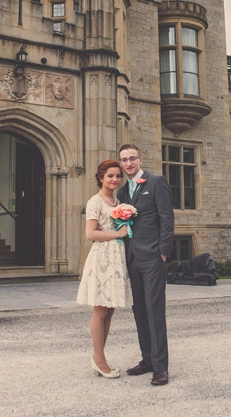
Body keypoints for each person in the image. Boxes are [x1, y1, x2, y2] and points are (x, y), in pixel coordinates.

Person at [117, 144, 174, 386]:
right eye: (123, 160)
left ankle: (161, 367)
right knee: (139, 310)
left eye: (132, 159)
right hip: (132, 258)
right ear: (120, 163)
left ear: (140, 160)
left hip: (152, 258)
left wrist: (162, 253)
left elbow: (167, 218)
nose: (128, 163)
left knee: (154, 311)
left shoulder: (156, 182)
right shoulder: (122, 193)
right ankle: (147, 359)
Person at [77, 160, 133, 378]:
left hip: (117, 258)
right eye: (110, 176)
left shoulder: (118, 201)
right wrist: (117, 234)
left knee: (110, 309)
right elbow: (90, 234)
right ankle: (99, 359)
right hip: (102, 258)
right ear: (101, 177)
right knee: (100, 309)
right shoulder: (96, 201)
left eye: (118, 176)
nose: (115, 179)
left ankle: (99, 357)